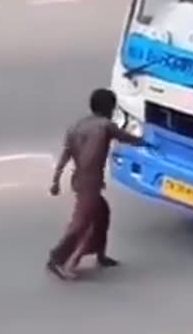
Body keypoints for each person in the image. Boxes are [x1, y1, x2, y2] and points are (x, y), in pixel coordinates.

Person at [46, 88, 145, 281]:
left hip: (79, 180)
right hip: (90, 184)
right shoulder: (105, 126)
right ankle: (59, 259)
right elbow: (128, 138)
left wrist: (56, 181)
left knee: (102, 214)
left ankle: (100, 254)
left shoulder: (77, 126)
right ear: (109, 107)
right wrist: (147, 142)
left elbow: (65, 154)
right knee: (82, 223)